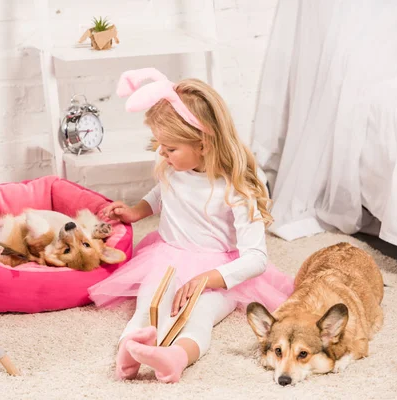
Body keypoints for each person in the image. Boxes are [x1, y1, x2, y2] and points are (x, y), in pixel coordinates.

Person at [88, 68, 294, 383]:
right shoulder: (171, 168)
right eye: (159, 144)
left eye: (170, 148)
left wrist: (206, 280)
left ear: (204, 143)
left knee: (198, 316)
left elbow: (256, 258)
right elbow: (161, 194)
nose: (161, 153)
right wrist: (136, 211)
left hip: (221, 272)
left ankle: (176, 357)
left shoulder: (236, 189)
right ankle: (128, 348)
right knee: (149, 303)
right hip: (167, 256)